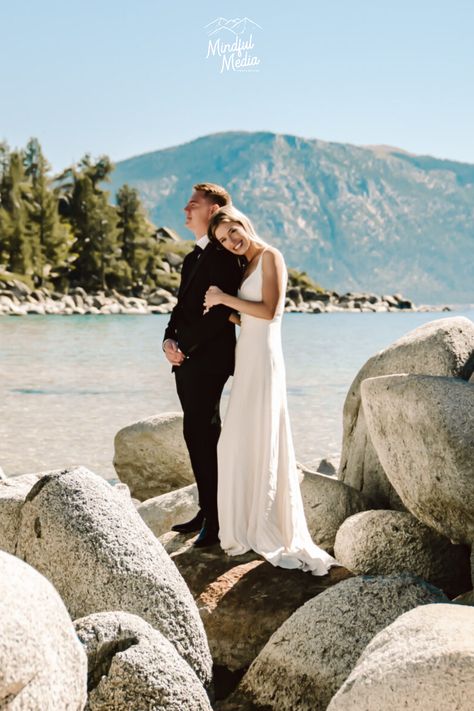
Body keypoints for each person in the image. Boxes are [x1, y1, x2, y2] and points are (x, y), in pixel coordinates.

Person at [204, 205, 340, 575]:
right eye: (222, 240)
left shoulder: (271, 256)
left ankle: (263, 525)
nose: (231, 242)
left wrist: (223, 299)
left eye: (233, 232)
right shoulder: (245, 265)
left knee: (255, 437)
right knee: (236, 441)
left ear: (244, 224)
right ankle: (244, 524)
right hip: (246, 355)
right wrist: (222, 311)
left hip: (264, 357)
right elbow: (247, 315)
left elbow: (269, 311)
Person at [162, 184, 243, 547]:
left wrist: (187, 347)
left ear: (212, 211)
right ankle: (207, 508)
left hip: (209, 358)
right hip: (186, 358)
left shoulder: (225, 256)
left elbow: (222, 313)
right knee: (197, 434)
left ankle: (217, 520)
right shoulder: (193, 258)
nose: (185, 210)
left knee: (202, 432)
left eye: (192, 204)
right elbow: (181, 309)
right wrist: (167, 340)